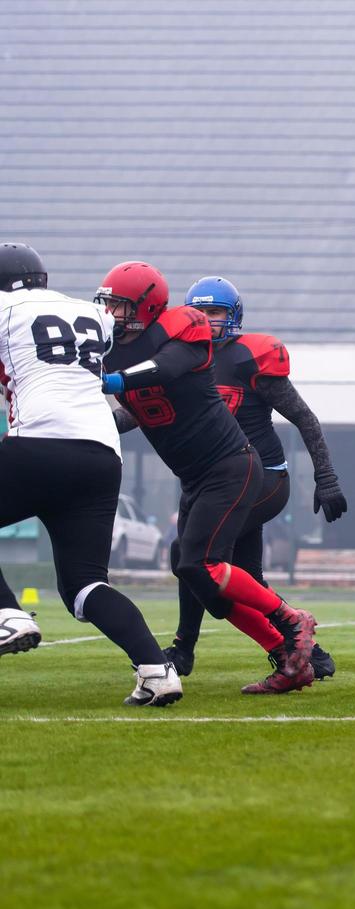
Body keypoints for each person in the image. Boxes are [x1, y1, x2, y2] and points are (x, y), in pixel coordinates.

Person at [97, 261, 318, 694]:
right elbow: (130, 411)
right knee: (197, 574)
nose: (111, 314)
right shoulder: (113, 350)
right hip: (197, 476)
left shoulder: (183, 331)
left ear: (148, 306)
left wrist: (110, 379)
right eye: (107, 304)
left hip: (232, 465)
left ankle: (293, 620)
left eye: (119, 306)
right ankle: (288, 658)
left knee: (205, 563)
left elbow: (163, 368)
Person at [0, 243, 181, 706]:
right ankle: (157, 671)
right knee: (85, 586)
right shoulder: (93, 313)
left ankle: (9, 614)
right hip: (101, 454)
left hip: (39, 443)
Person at [163, 276, 344, 679]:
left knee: (192, 555)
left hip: (262, 478)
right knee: (241, 575)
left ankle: (183, 649)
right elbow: (138, 411)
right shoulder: (178, 360)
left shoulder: (248, 357)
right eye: (201, 312)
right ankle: (307, 652)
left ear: (233, 316)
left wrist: (326, 477)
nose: (208, 321)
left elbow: (304, 418)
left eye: (216, 312)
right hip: (208, 478)